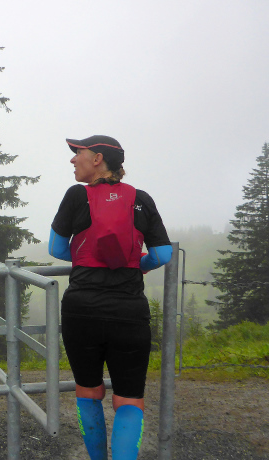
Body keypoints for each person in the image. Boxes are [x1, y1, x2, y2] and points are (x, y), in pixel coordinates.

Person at [48, 135, 172, 460]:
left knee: (89, 392)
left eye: (78, 153)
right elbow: (162, 255)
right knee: (129, 399)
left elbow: (56, 249)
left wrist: (87, 258)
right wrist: (136, 264)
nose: (73, 159)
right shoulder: (141, 199)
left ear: (98, 159)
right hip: (129, 312)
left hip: (81, 311)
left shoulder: (76, 196)